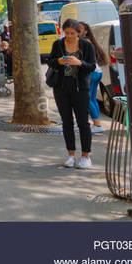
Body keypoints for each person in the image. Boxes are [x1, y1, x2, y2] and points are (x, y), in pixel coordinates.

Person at [48, 18, 97, 169]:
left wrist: (79, 63)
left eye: (72, 33)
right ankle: (70, 154)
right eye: (67, 33)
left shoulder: (86, 46)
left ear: (79, 33)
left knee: (83, 122)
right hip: (61, 87)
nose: (69, 36)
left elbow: (92, 66)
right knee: (66, 122)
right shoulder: (58, 44)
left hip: (80, 88)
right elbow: (50, 61)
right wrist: (59, 62)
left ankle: (85, 156)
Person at [79, 21, 108, 134]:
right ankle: (96, 123)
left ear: (86, 31)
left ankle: (97, 124)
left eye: (80, 29)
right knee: (91, 99)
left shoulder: (84, 42)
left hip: (90, 73)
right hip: (96, 72)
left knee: (86, 99)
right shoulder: (89, 41)